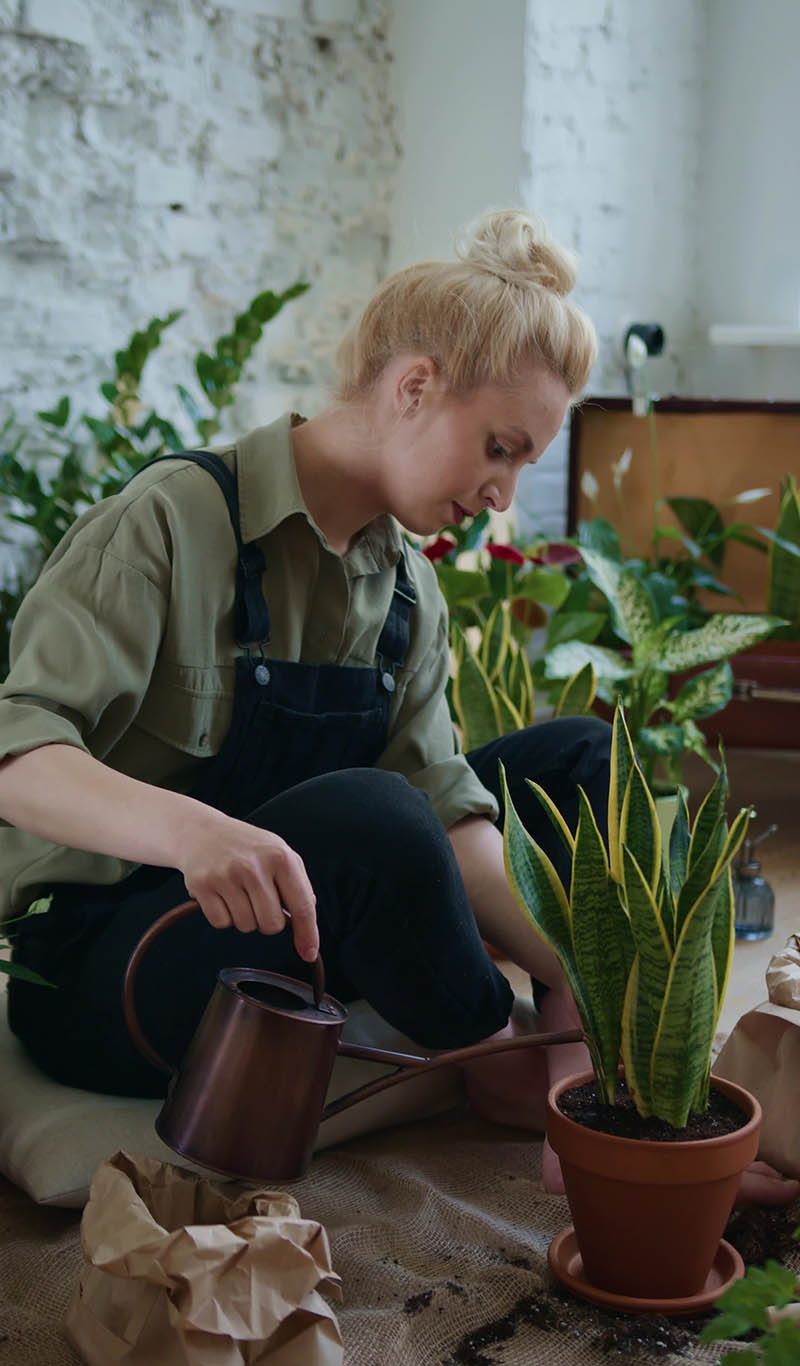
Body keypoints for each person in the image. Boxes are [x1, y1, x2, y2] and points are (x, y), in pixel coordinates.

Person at [0, 208, 795, 1209]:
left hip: (297, 928)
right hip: (118, 968)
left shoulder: (404, 591)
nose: (500, 494)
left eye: (522, 466)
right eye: (498, 448)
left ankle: (596, 1076)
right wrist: (194, 832)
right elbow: (16, 751)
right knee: (378, 816)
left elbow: (456, 823)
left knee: (586, 758)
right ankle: (499, 1060)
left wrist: (610, 994)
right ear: (414, 384)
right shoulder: (165, 521)